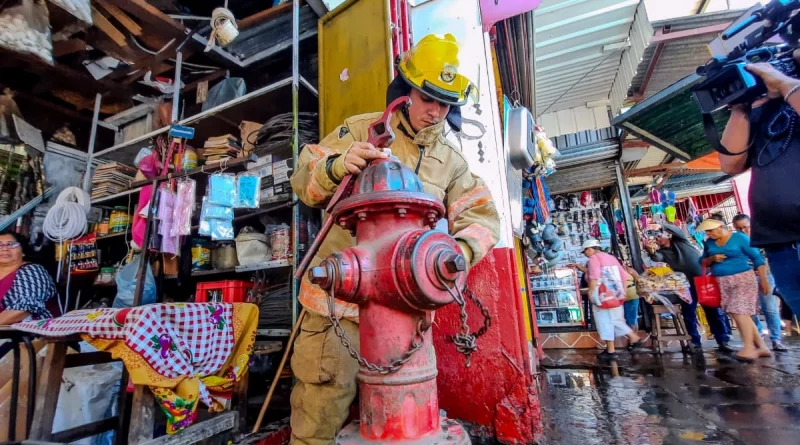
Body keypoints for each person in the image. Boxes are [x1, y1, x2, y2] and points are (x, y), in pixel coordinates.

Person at [288, 34, 500, 445]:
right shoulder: (361, 131)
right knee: (320, 411)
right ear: (405, 91)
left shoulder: (452, 164)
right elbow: (305, 183)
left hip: (408, 315)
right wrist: (336, 167)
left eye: (445, 103)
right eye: (427, 97)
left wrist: (457, 256)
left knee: (408, 416)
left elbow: (482, 217)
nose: (436, 111)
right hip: (338, 308)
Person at [718, 61, 800, 319]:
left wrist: (783, 82)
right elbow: (730, 163)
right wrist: (740, 107)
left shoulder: (790, 89)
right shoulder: (765, 110)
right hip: (780, 241)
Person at [645, 223, 733, 352]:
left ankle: (723, 340)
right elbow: (656, 257)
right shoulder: (662, 252)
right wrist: (650, 250)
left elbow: (676, 230)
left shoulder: (682, 241)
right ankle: (694, 342)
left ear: (669, 235)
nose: (657, 238)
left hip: (701, 280)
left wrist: (661, 226)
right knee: (688, 313)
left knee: (712, 311)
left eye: (660, 235)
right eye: (656, 237)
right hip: (686, 285)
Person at [697, 218, 771, 361]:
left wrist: (764, 280)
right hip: (723, 282)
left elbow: (758, 259)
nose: (708, 233)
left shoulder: (739, 238)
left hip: (743, 278)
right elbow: (702, 261)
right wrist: (712, 259)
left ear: (721, 227)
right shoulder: (709, 243)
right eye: (707, 231)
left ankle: (749, 347)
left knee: (739, 311)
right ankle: (762, 347)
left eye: (711, 230)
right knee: (738, 313)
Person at [732, 214, 788, 351]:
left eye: (745, 227)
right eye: (739, 229)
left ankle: (776, 339)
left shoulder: (762, 239)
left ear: (751, 225)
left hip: (766, 276)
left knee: (769, 309)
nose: (743, 231)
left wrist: (762, 273)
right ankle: (758, 336)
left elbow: (770, 258)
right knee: (750, 310)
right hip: (746, 277)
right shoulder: (736, 241)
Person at [582, 240, 643, 360]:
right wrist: (623, 292)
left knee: (604, 321)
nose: (585, 254)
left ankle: (631, 339)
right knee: (615, 319)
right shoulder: (611, 257)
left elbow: (594, 277)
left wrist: (590, 292)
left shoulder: (594, 259)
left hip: (602, 296)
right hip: (616, 294)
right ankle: (612, 350)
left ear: (590, 249)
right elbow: (624, 276)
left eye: (585, 251)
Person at [0, 229, 58, 324]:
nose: (5, 249)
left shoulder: (32, 271)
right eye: (0, 245)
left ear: (23, 251)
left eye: (11, 245)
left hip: (29, 333)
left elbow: (26, 307)